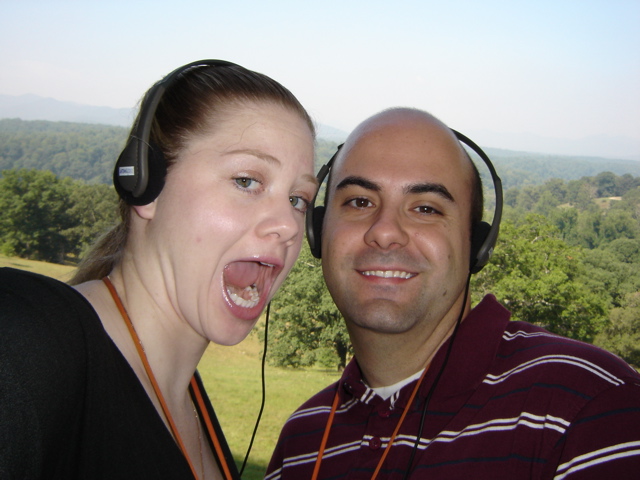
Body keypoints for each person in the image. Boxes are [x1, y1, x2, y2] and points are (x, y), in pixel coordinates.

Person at [266, 107, 640, 479]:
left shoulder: (592, 407)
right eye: (359, 201)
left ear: (477, 244)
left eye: (425, 208)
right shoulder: (301, 441)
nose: (385, 231)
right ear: (318, 230)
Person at [0, 60, 317, 479]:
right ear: (146, 184)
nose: (289, 225)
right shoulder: (25, 340)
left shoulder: (191, 405)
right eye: (247, 181)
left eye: (298, 199)